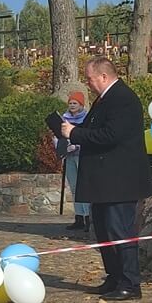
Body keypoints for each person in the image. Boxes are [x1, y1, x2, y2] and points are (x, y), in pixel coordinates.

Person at [60, 56, 152, 300]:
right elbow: (96, 129)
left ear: (103, 77)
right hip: (104, 181)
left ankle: (130, 283)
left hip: (120, 180)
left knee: (119, 230)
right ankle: (114, 277)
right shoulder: (105, 100)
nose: (88, 83)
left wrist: (75, 133)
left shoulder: (123, 99)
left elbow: (110, 135)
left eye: (90, 78)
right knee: (104, 231)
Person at [57, 91, 91, 233]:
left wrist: (77, 145)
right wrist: (63, 149)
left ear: (81, 104)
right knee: (74, 186)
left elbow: (87, 135)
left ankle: (88, 217)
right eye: (70, 103)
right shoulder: (64, 119)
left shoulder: (86, 118)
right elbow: (58, 137)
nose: (72, 105)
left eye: (74, 103)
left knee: (84, 187)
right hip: (69, 156)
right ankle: (79, 217)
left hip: (82, 155)